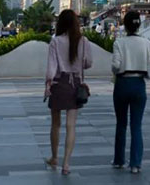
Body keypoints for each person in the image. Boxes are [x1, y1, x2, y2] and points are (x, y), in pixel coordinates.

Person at [44, 9, 93, 175]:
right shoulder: (84, 41)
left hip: (59, 84)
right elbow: (88, 63)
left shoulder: (55, 41)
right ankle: (66, 164)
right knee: (71, 125)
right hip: (75, 85)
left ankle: (54, 157)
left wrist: (48, 85)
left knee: (55, 124)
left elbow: (52, 67)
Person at [111, 11, 150, 174]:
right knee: (136, 125)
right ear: (139, 25)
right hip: (139, 84)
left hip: (122, 83)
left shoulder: (119, 42)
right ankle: (135, 163)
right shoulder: (146, 43)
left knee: (121, 123)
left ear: (125, 25)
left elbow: (116, 65)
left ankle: (119, 160)